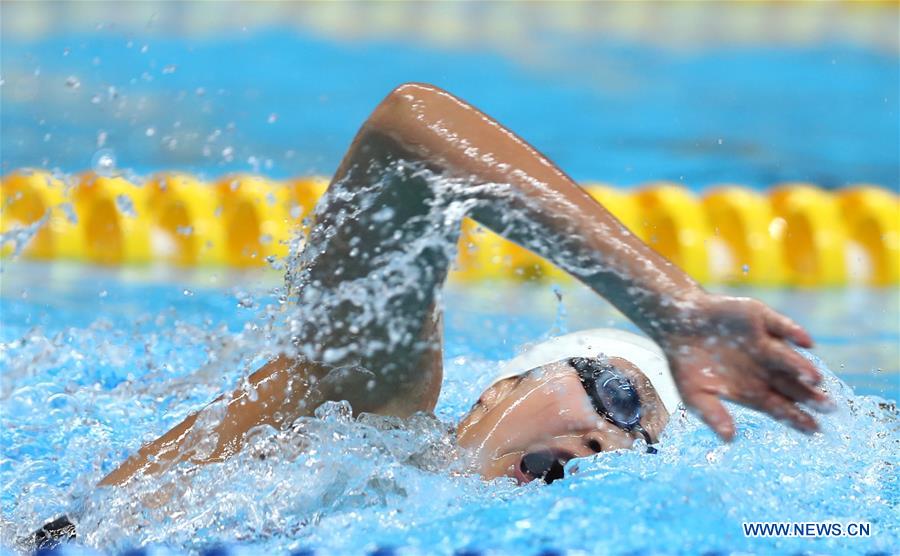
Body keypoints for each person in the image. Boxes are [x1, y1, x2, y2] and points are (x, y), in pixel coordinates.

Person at [29, 81, 834, 547]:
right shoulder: (364, 409)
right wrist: (671, 307)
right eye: (615, 395)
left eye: (640, 443)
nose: (611, 440)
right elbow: (410, 129)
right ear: (497, 390)